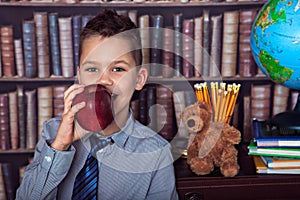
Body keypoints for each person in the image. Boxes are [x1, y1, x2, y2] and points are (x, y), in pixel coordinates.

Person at [16, 9, 178, 200]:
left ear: (139, 79)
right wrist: (60, 147)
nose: (103, 80)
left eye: (118, 69)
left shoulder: (156, 153)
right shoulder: (53, 133)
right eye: (92, 68)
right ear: (79, 76)